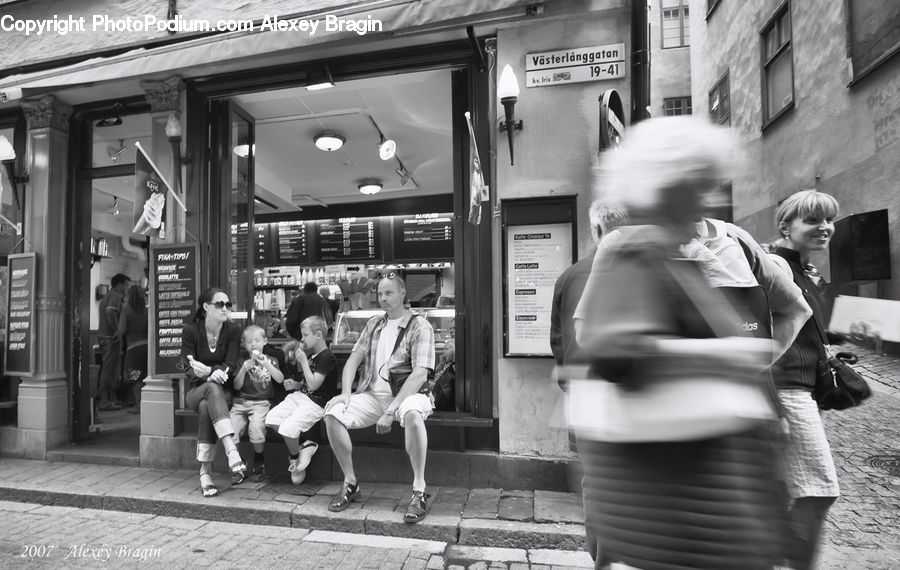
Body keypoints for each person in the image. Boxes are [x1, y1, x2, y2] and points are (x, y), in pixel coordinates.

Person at [574, 116, 788, 569]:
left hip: (697, 502)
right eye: (698, 185)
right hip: (679, 505)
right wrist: (725, 357)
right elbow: (615, 348)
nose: (707, 199)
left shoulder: (673, 255)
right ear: (665, 187)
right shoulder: (636, 252)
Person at [768, 189, 842, 570]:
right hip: (788, 390)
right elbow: (761, 337)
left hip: (803, 391)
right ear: (786, 226)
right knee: (819, 490)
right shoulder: (777, 267)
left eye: (828, 220)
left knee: (784, 489)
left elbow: (802, 328)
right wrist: (773, 404)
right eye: (813, 221)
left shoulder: (805, 271)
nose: (825, 227)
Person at [324, 274, 436, 523]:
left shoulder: (420, 326)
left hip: (408, 395)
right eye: (380, 294)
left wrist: (391, 410)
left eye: (389, 293)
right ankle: (350, 482)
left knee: (413, 416)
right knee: (332, 415)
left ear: (403, 293)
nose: (383, 298)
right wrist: (345, 394)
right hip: (372, 395)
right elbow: (353, 359)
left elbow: (419, 374)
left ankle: (419, 489)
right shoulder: (374, 323)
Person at [180, 287, 245, 498]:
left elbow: (230, 365)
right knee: (209, 389)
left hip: (222, 394)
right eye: (220, 304)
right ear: (206, 307)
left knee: (207, 405)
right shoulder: (191, 331)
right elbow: (187, 367)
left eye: (228, 304)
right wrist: (208, 376)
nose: (225, 308)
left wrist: (211, 371)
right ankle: (231, 449)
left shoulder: (233, 331)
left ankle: (205, 473)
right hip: (195, 391)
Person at [551, 200, 628, 366]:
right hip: (619, 382)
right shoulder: (635, 270)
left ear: (597, 229)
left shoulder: (567, 277)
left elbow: (558, 340)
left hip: (578, 380)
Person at [266, 316, 338, 485]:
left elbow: (314, 385)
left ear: (318, 335)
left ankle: (297, 458)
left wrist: (304, 363)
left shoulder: (328, 357)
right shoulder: (314, 355)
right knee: (271, 418)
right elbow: (307, 384)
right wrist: (297, 384)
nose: (303, 339)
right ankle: (301, 451)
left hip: (317, 403)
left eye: (305, 335)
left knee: (288, 428)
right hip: (301, 397)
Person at [231, 325, 285, 483]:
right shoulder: (241, 361)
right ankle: (238, 463)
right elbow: (236, 386)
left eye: (257, 340)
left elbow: (280, 379)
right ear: (244, 344)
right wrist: (243, 370)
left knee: (256, 428)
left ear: (265, 342)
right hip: (241, 402)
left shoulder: (272, 360)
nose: (253, 344)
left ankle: (259, 461)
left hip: (261, 402)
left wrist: (267, 365)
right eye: (249, 342)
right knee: (230, 430)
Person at [97, 273, 131, 411]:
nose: (127, 288)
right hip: (111, 338)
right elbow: (110, 312)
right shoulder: (116, 296)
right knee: (110, 368)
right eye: (126, 285)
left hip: (105, 336)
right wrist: (117, 330)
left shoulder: (107, 296)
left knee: (110, 368)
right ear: (120, 285)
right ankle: (104, 400)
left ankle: (112, 399)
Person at [117, 284, 149, 414]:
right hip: (147, 346)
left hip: (133, 348)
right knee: (146, 378)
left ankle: (139, 407)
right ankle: (147, 405)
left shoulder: (126, 310)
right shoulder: (146, 310)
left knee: (135, 379)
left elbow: (122, 330)